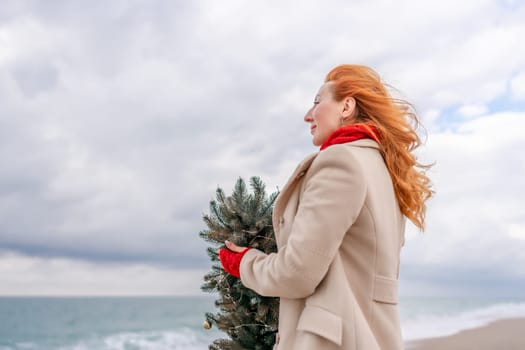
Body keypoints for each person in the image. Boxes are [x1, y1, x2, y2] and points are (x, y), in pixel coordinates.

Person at [219, 64, 433, 350]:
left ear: (346, 106)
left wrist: (245, 262)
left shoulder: (340, 161)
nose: (309, 114)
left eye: (318, 101)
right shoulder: (386, 172)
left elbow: (296, 273)